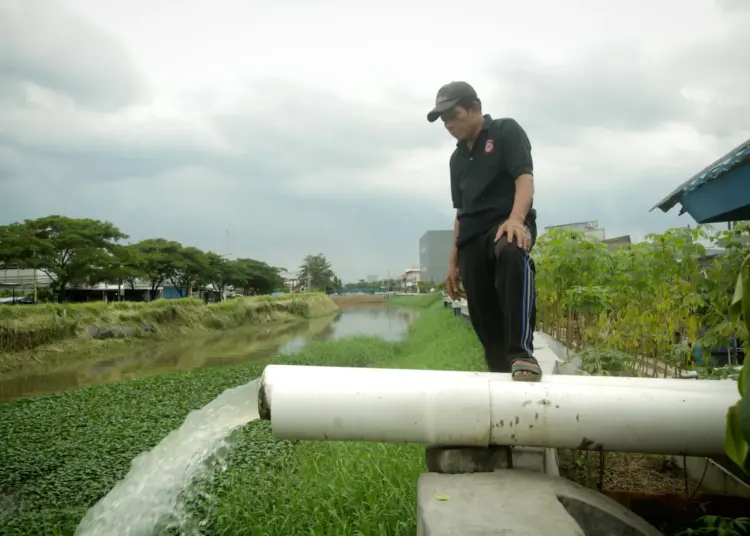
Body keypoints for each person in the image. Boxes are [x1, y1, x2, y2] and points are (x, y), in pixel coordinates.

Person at [427, 81, 541, 381]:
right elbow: (461, 213)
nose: (449, 124)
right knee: (483, 315)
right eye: (444, 120)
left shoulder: (505, 132)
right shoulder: (457, 160)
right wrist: (452, 262)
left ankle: (522, 354)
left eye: (454, 115)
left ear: (475, 108)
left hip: (506, 223)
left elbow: (524, 179)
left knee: (510, 250)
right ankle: (501, 372)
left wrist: (517, 219)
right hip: (471, 239)